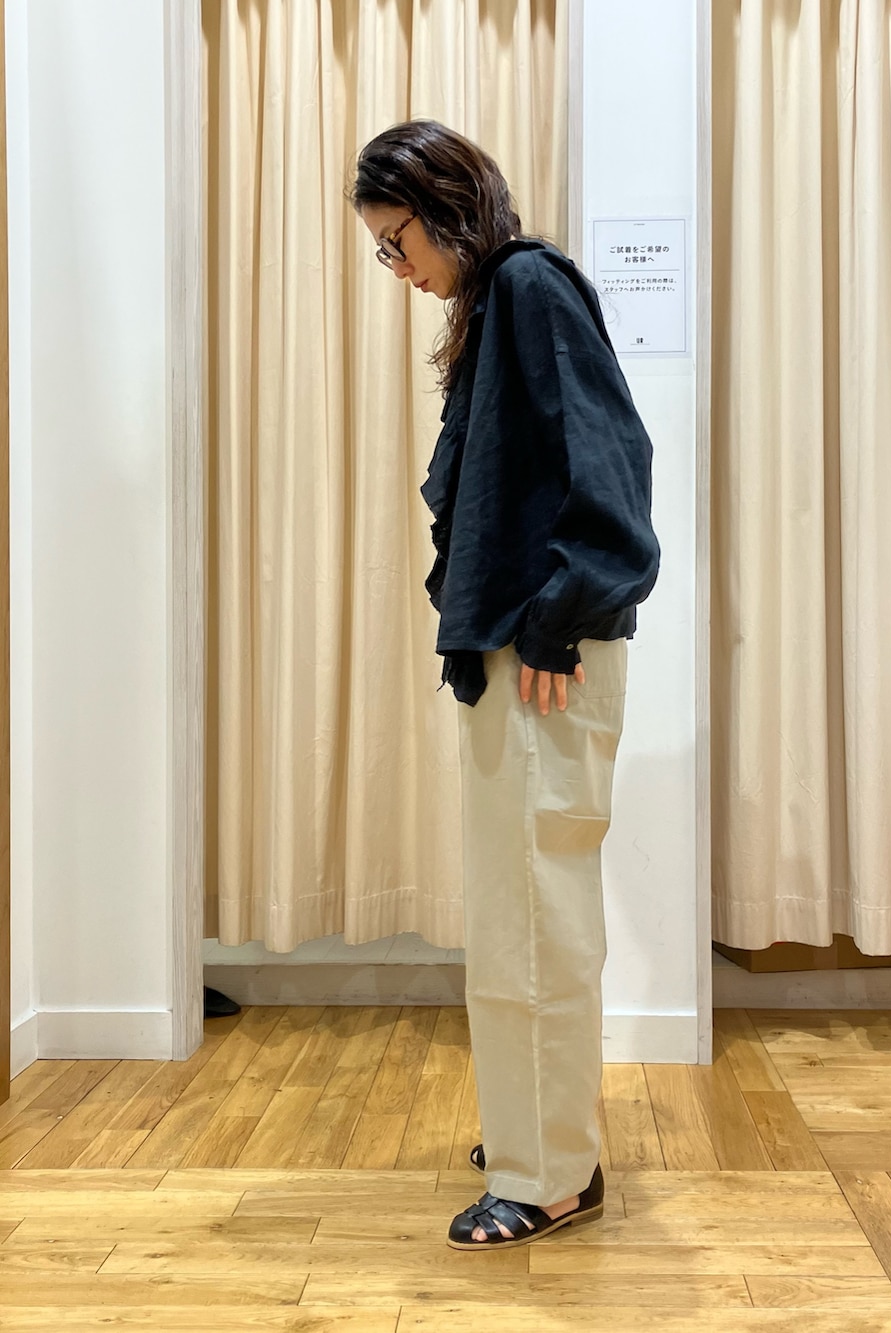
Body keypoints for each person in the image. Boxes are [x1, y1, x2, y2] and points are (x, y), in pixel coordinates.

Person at [351, 120, 659, 1251]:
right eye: (383, 250)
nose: (397, 268)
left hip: (543, 656)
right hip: (521, 649)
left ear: (445, 209)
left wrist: (554, 621)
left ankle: (550, 1177)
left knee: (535, 912)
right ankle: (539, 1129)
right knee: (519, 905)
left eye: (398, 241)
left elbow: (611, 463)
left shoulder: (529, 284)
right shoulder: (499, 304)